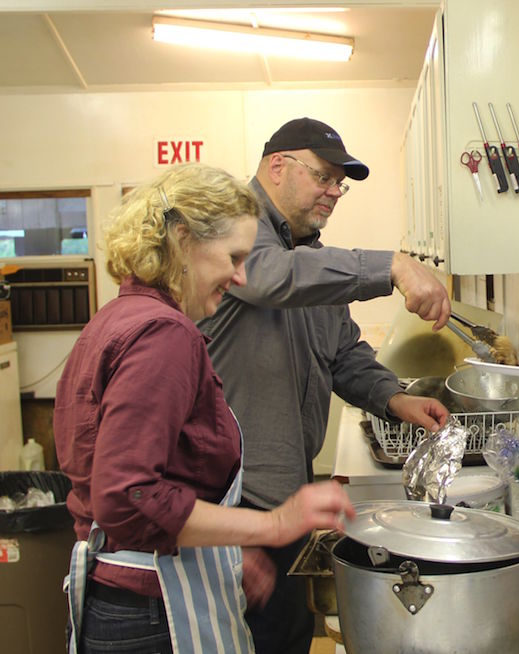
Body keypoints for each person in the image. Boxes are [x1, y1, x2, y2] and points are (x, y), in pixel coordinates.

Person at [53, 163, 357, 654]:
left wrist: (227, 543)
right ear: (181, 240)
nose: (239, 276)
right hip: (151, 612)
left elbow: (149, 476)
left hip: (121, 594)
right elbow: (128, 496)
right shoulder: (163, 334)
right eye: (234, 257)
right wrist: (273, 524)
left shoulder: (118, 316)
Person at [197, 117, 451, 653]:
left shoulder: (308, 253)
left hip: (284, 498)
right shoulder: (233, 228)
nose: (335, 192)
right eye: (325, 177)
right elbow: (268, 276)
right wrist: (393, 266)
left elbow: (341, 352)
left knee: (286, 636)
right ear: (277, 166)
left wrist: (394, 397)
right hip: (227, 508)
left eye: (342, 183)